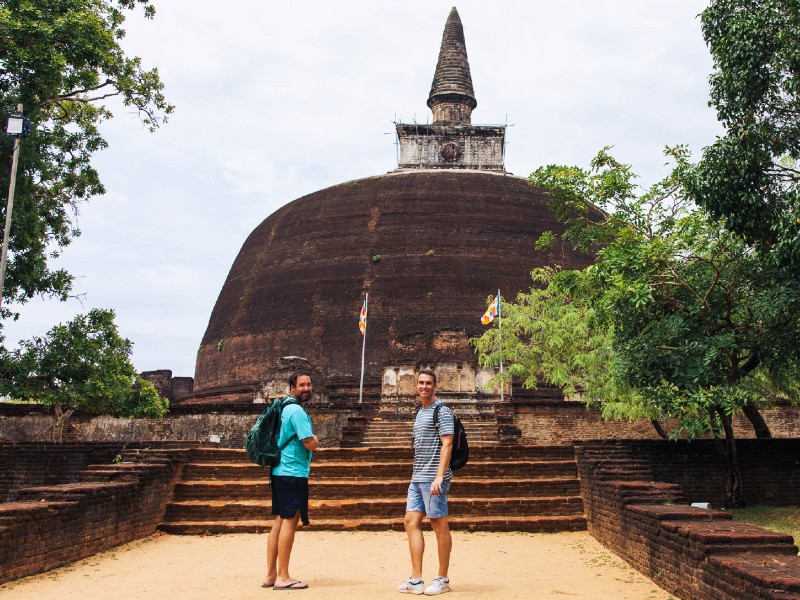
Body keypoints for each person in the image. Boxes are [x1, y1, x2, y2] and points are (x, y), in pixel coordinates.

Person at [398, 369, 454, 596]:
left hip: (434, 479)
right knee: (410, 522)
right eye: (420, 383)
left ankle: (442, 578)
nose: (424, 386)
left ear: (435, 385)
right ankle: (416, 579)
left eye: (428, 383)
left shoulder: (442, 411)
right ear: (416, 386)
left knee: (438, 525)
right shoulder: (420, 412)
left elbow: (447, 443)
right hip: (417, 477)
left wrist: (439, 476)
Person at [263, 370, 319, 590]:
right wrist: (316, 440)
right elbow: (308, 441)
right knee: (289, 520)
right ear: (292, 388)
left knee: (279, 520)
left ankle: (270, 575)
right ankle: (283, 577)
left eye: (309, 384)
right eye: (302, 385)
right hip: (292, 472)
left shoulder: (285, 408)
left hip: (280, 471)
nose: (306, 388)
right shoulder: (296, 411)